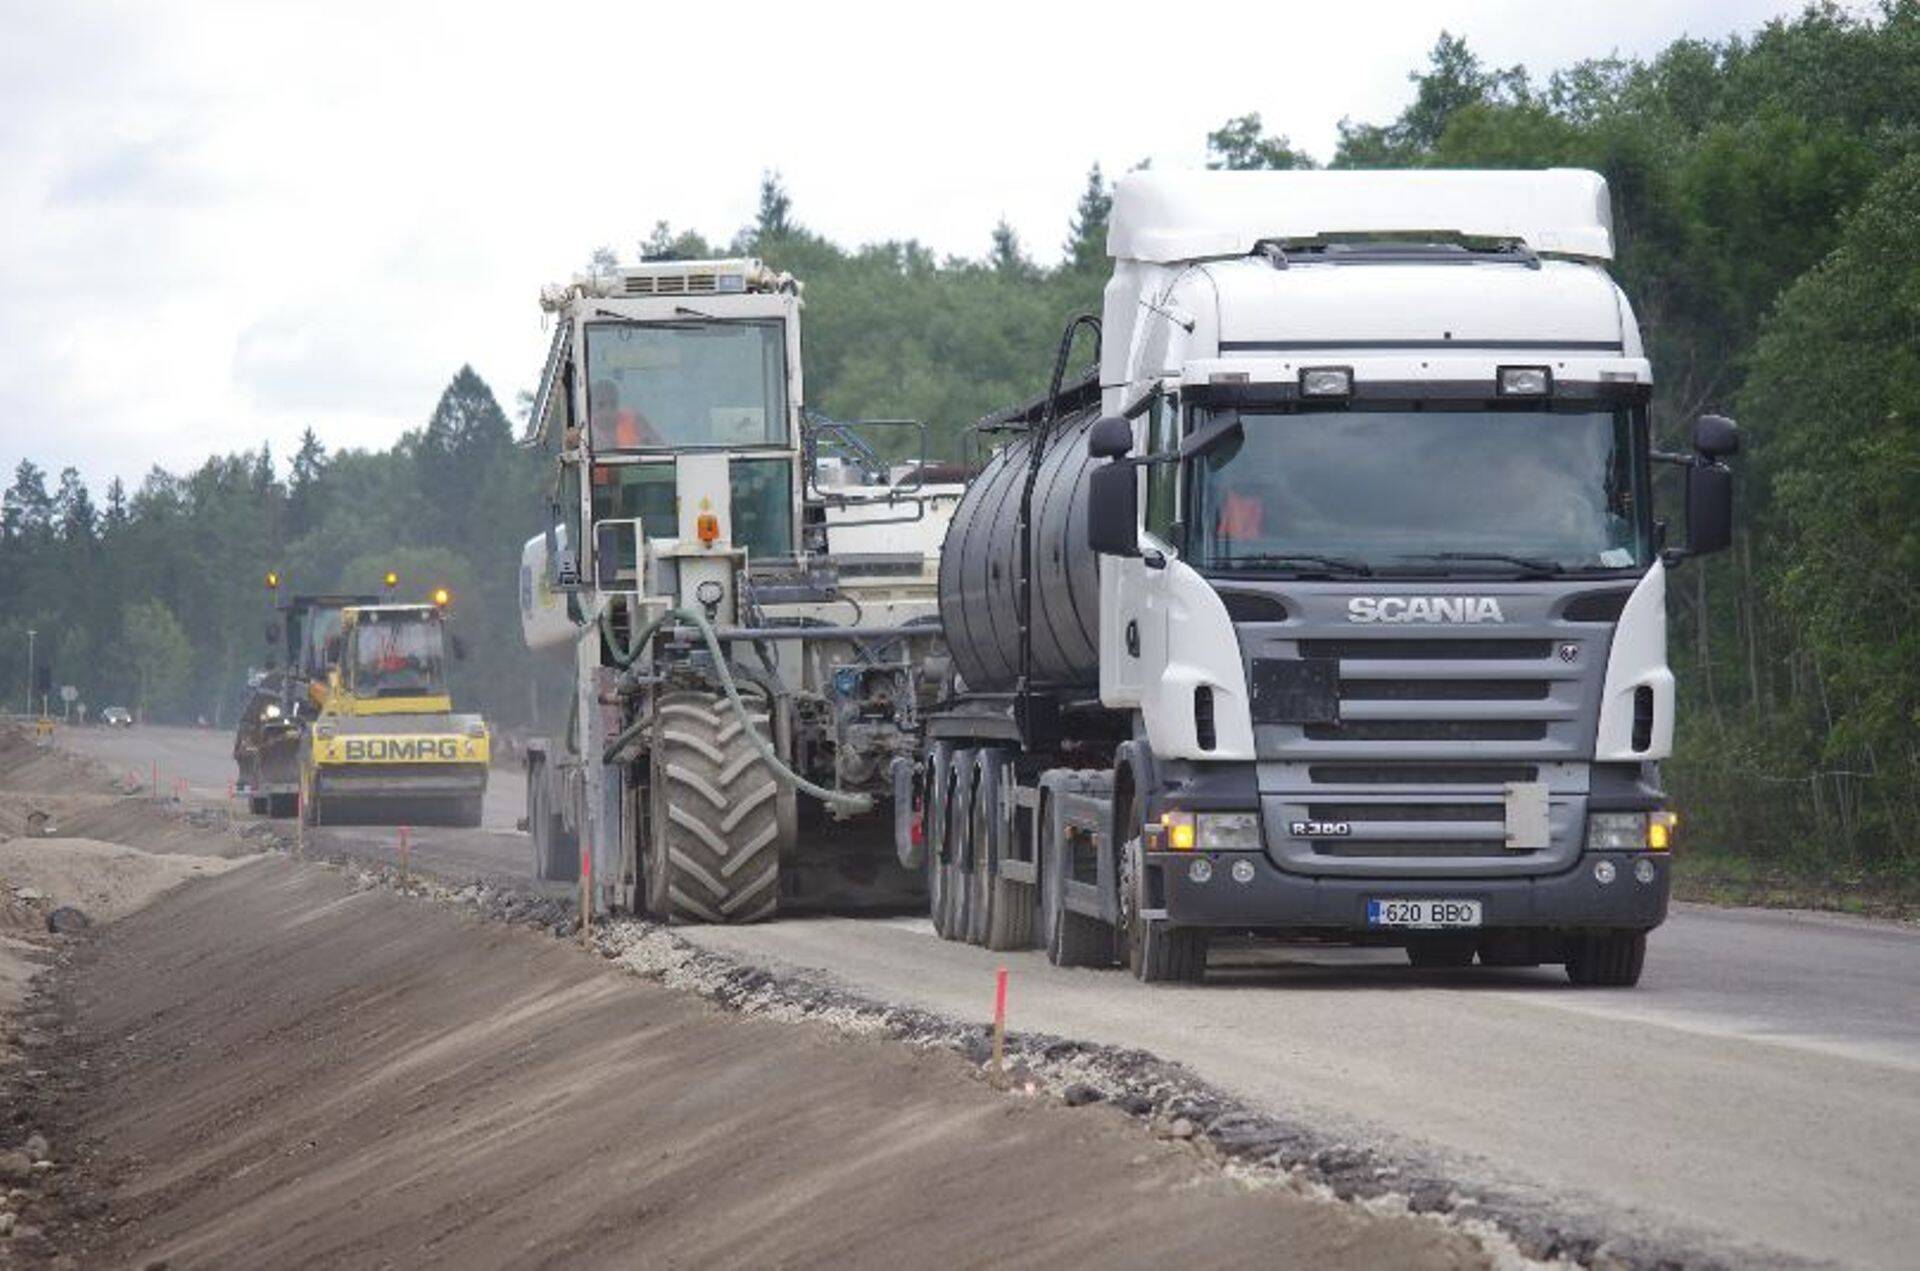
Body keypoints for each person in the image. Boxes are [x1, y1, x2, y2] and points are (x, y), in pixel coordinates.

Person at [589, 379, 662, 450]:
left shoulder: (635, 421)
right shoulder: (587, 431)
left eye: (613, 404)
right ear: (592, 407)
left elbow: (660, 448)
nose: (608, 411)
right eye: (601, 405)